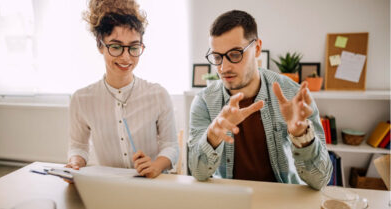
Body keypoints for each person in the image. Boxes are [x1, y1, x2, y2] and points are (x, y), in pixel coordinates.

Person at [188, 10, 332, 190]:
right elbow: (198, 172)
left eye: (234, 54)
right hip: (230, 199)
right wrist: (213, 135)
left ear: (256, 49)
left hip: (282, 200)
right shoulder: (204, 101)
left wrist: (301, 135)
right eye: (217, 57)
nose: (224, 67)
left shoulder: (293, 95)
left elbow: (321, 180)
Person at [65, 0, 178, 178]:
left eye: (133, 47)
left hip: (151, 186)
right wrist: (75, 163)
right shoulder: (81, 99)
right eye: (116, 47)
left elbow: (171, 146)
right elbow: (78, 146)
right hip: (109, 187)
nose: (126, 57)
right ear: (100, 45)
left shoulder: (158, 95)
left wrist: (156, 165)